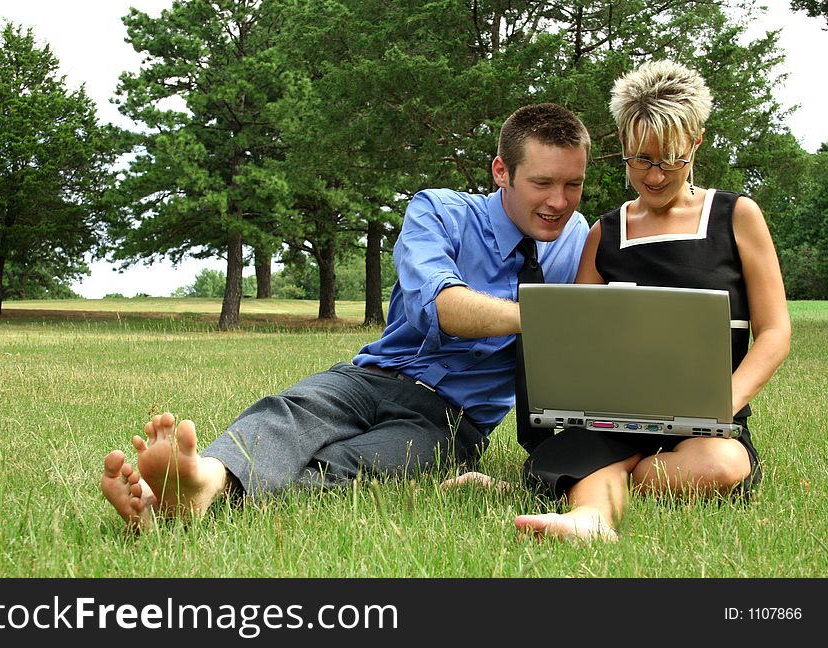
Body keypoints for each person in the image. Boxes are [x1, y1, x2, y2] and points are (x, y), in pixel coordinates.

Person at [100, 103, 592, 529]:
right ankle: (205, 475)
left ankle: (198, 498)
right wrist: (542, 314)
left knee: (364, 466)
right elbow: (439, 305)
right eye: (542, 182)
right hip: (371, 378)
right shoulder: (439, 212)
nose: (559, 202)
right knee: (289, 414)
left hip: (450, 423)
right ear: (501, 171)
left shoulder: (578, 239)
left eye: (574, 185)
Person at [496, 60, 789, 542]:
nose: (653, 176)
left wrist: (722, 406)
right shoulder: (604, 233)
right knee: (608, 443)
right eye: (639, 159)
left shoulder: (736, 216)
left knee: (721, 466)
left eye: (669, 159)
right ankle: (589, 518)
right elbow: (575, 337)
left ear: (695, 142)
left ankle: (574, 475)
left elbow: (775, 332)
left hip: (708, 426)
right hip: (617, 416)